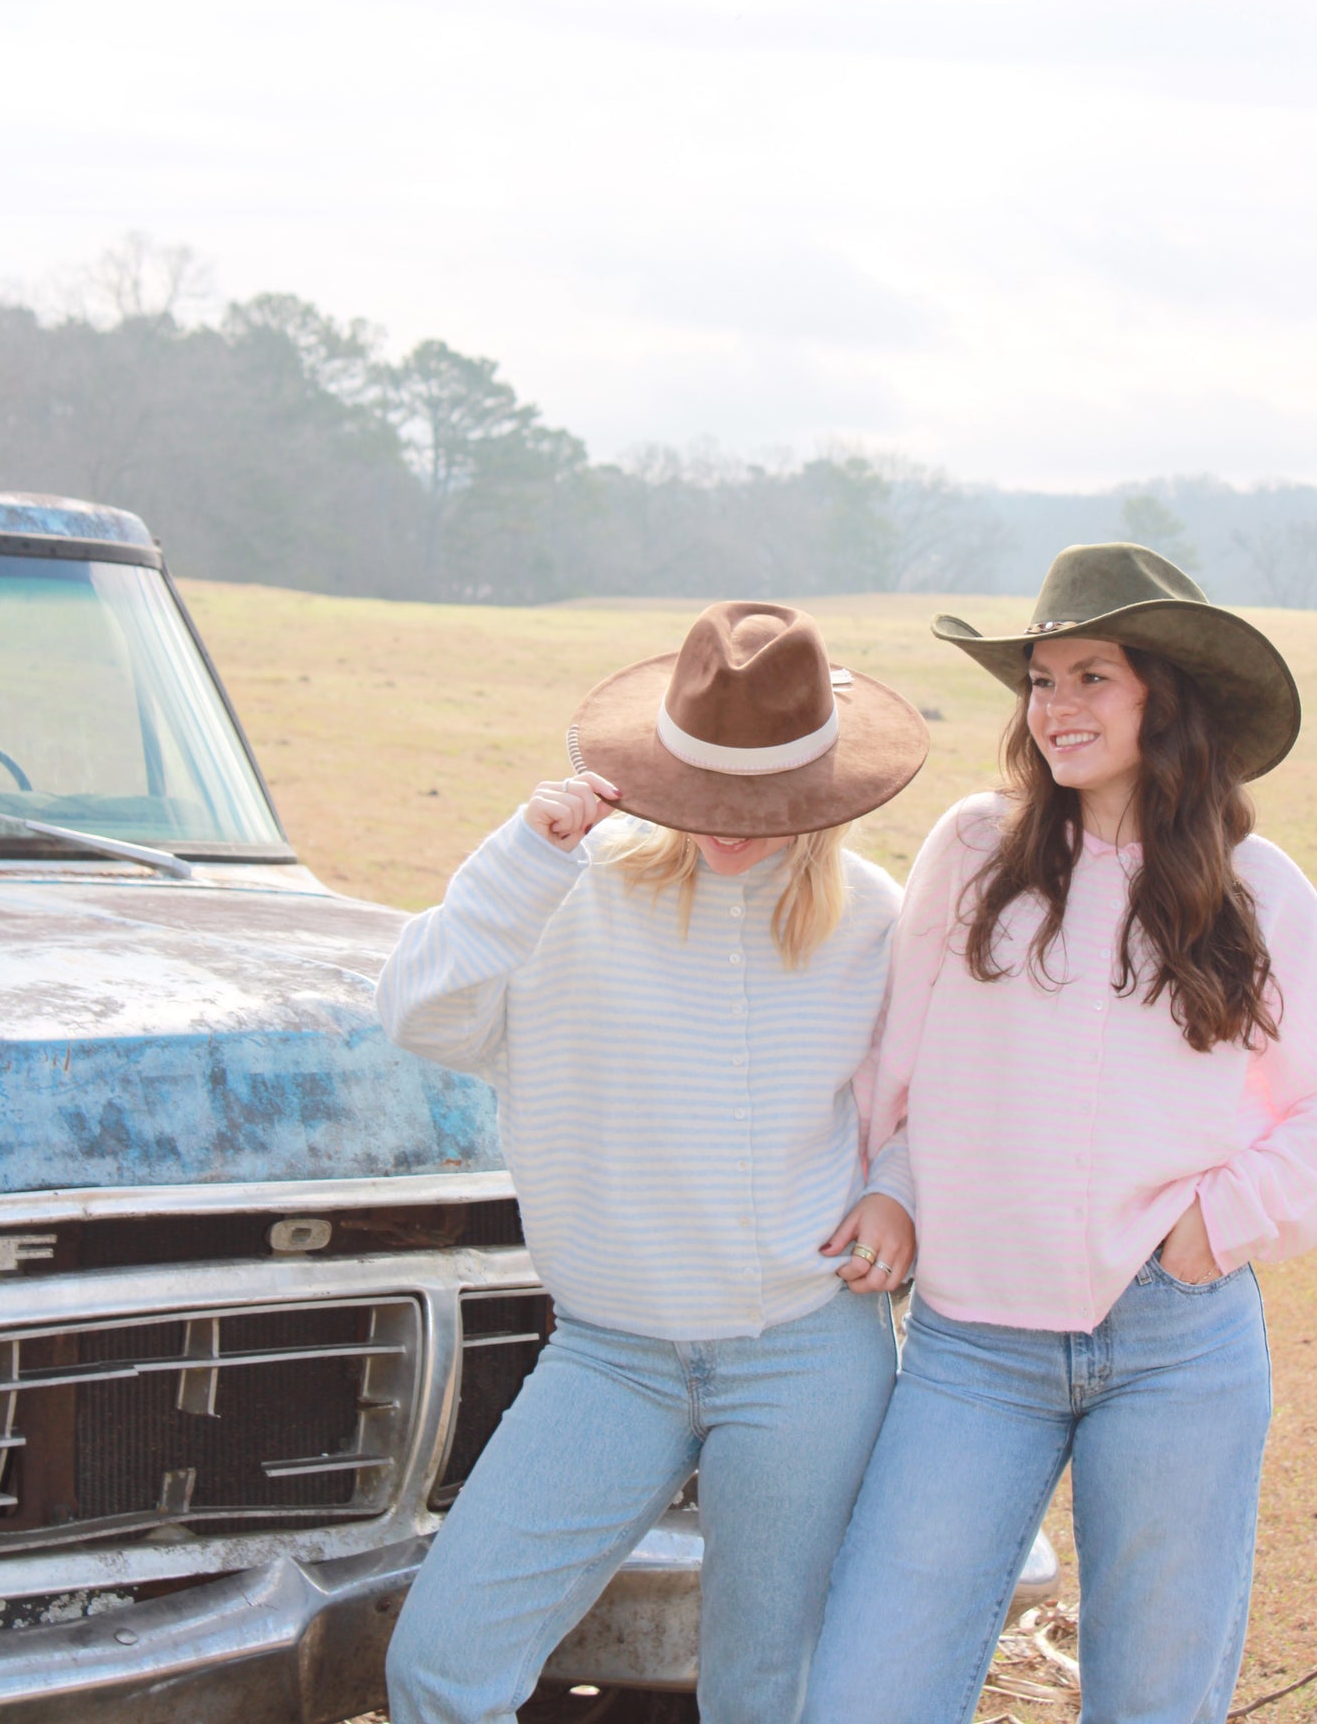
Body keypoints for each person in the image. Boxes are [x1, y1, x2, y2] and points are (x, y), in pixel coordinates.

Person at [804, 544, 1317, 1724]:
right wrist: (891, 1182)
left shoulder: (1251, 884)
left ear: (1162, 697)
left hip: (1174, 1342)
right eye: (1039, 680)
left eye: (1091, 675)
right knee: (869, 1689)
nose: (1054, 707)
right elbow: (900, 1063)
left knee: (1152, 1701)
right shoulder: (975, 852)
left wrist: (1211, 1224)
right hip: (972, 1347)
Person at [376, 600, 930, 1724]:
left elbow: (938, 1095)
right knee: (442, 1661)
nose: (729, 827)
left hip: (808, 1353)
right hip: (610, 1352)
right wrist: (523, 853)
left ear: (821, 787)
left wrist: (896, 1188)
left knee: (763, 1689)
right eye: (707, 791)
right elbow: (421, 1014)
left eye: (760, 801)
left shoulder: (874, 916)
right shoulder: (568, 886)